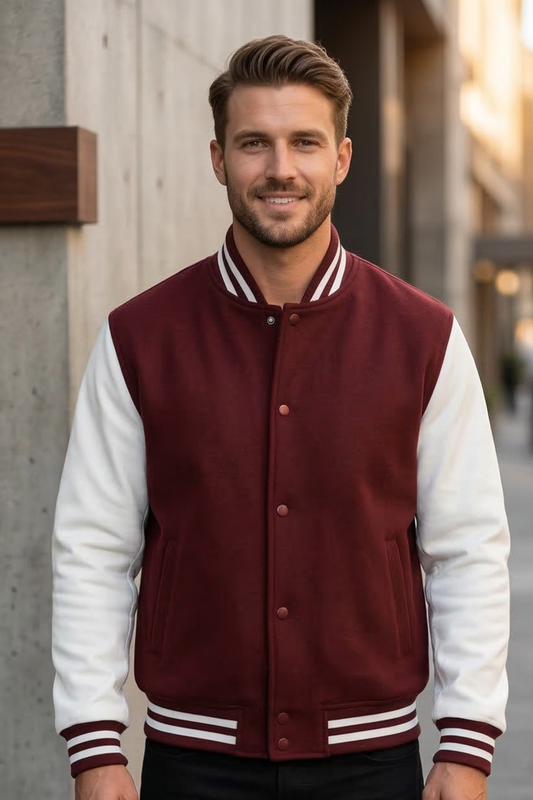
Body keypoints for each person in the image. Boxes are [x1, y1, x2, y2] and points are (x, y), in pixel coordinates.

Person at [52, 35, 510, 800]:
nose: (280, 168)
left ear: (341, 158)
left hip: (372, 762)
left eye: (304, 142)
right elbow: (92, 550)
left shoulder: (422, 338)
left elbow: (466, 549)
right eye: (253, 144)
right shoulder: (141, 337)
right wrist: (96, 751)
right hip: (192, 762)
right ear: (217, 158)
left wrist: (465, 746)